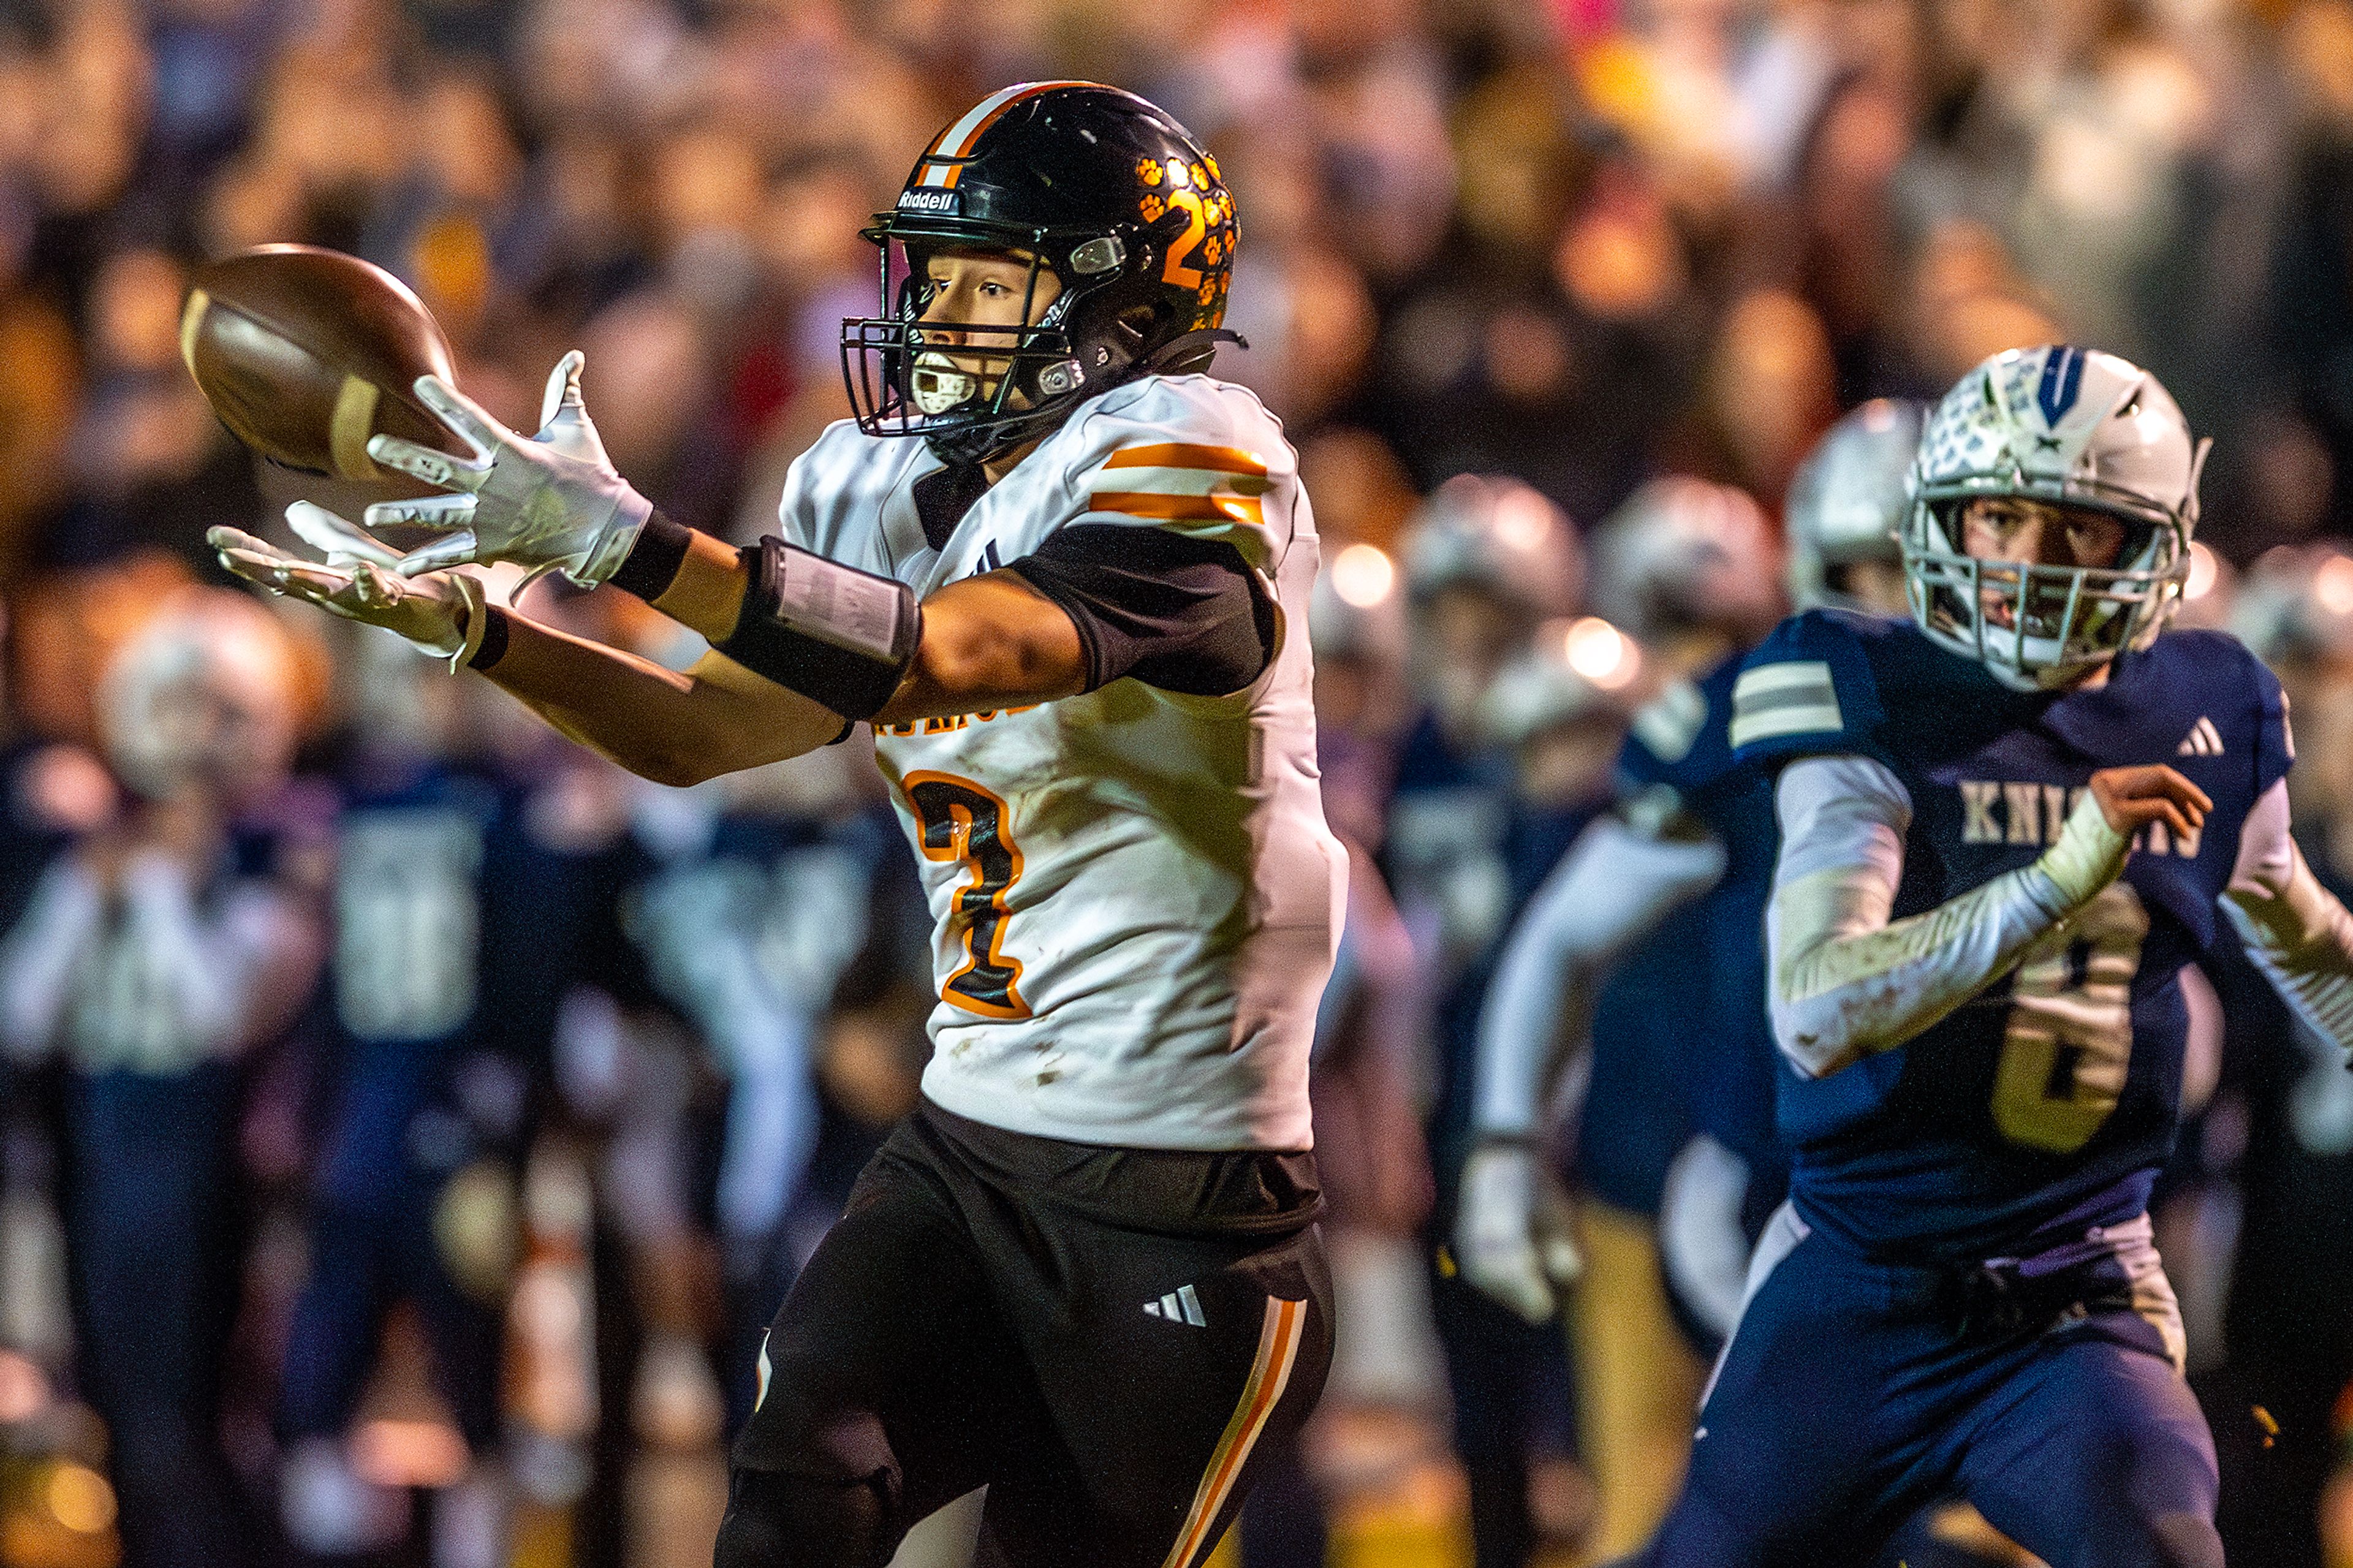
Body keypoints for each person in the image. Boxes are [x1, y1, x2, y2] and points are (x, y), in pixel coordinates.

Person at [213, 81, 1343, 1568]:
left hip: (1183, 1199)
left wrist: (627, 540)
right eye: (926, 271)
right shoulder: (879, 482)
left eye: (983, 277)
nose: (933, 312)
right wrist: (484, 637)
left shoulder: (1199, 447)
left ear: (1115, 302)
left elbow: (966, 649)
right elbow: (694, 730)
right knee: (792, 1491)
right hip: (969, 1146)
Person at [1631, 344, 2353, 1567]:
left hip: (2078, 1298)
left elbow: (2310, 943)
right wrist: (2056, 881)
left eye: (2076, 530)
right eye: (1998, 516)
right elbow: (1815, 1007)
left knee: (2167, 1544)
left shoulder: (2212, 702)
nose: (2023, 564)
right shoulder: (1865, 686)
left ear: (2159, 545)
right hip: (1862, 1280)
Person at [1454, 472, 1787, 1559]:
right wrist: (1511, 1143)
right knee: (1640, 1475)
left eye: (1720, 632)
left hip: (1800, 1181)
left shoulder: (1804, 758)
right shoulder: (1624, 781)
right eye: (1674, 630)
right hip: (1637, 1171)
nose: (1698, 662)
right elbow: (1551, 956)